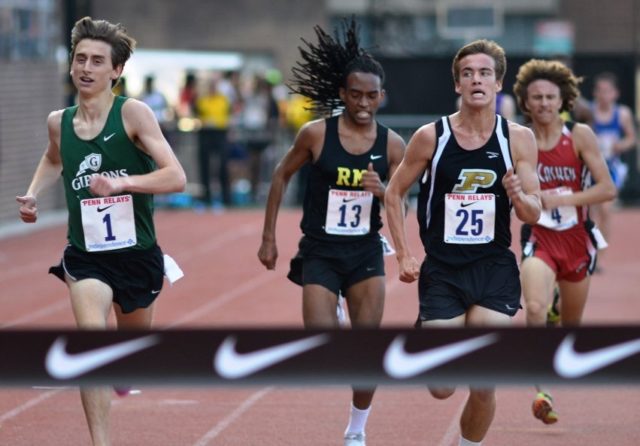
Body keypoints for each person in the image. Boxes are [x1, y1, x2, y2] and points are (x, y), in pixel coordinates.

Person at [16, 17, 186, 446]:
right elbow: (54, 158)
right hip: (86, 256)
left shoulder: (133, 113)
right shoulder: (59, 121)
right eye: (79, 59)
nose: (85, 68)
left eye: (97, 60)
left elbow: (175, 177)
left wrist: (124, 183)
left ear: (116, 71)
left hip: (137, 255)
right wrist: (34, 192)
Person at [384, 39, 541, 446]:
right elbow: (393, 192)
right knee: (442, 386)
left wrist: (519, 196)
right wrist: (403, 253)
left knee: (483, 379)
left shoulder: (518, 139)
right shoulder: (430, 136)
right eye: (468, 73)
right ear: (457, 84)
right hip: (443, 270)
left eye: (485, 73)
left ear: (498, 83)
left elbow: (534, 212)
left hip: (494, 269)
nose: (476, 79)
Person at [257, 18, 405, 446]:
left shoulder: (393, 144)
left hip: (364, 253)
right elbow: (280, 177)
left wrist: (384, 193)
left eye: (370, 95)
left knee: (367, 348)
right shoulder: (316, 135)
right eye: (354, 94)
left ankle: (356, 430)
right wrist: (269, 237)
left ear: (382, 97)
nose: (362, 102)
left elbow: (402, 205)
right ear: (342, 94)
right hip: (320, 250)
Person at [512, 59, 616, 425]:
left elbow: (607, 188)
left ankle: (559, 316)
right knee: (536, 308)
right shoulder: (517, 138)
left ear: (563, 101)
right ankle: (542, 391)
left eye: (550, 97)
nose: (542, 103)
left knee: (569, 324)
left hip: (575, 241)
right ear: (525, 102)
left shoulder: (580, 135)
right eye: (536, 97)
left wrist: (562, 199)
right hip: (538, 238)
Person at [589, 72, 636, 270]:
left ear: (615, 93)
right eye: (600, 91)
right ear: (594, 93)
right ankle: (588, 251)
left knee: (606, 211)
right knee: (588, 212)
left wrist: (619, 145)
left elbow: (632, 138)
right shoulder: (589, 113)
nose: (603, 95)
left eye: (607, 91)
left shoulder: (622, 114)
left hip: (611, 169)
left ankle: (599, 255)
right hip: (590, 167)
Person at [196, 74, 232, 207]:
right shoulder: (202, 100)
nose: (213, 87)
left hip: (220, 133)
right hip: (205, 133)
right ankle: (206, 196)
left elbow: (229, 114)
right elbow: (197, 113)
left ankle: (226, 197)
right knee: (204, 165)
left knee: (223, 165)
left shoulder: (223, 99)